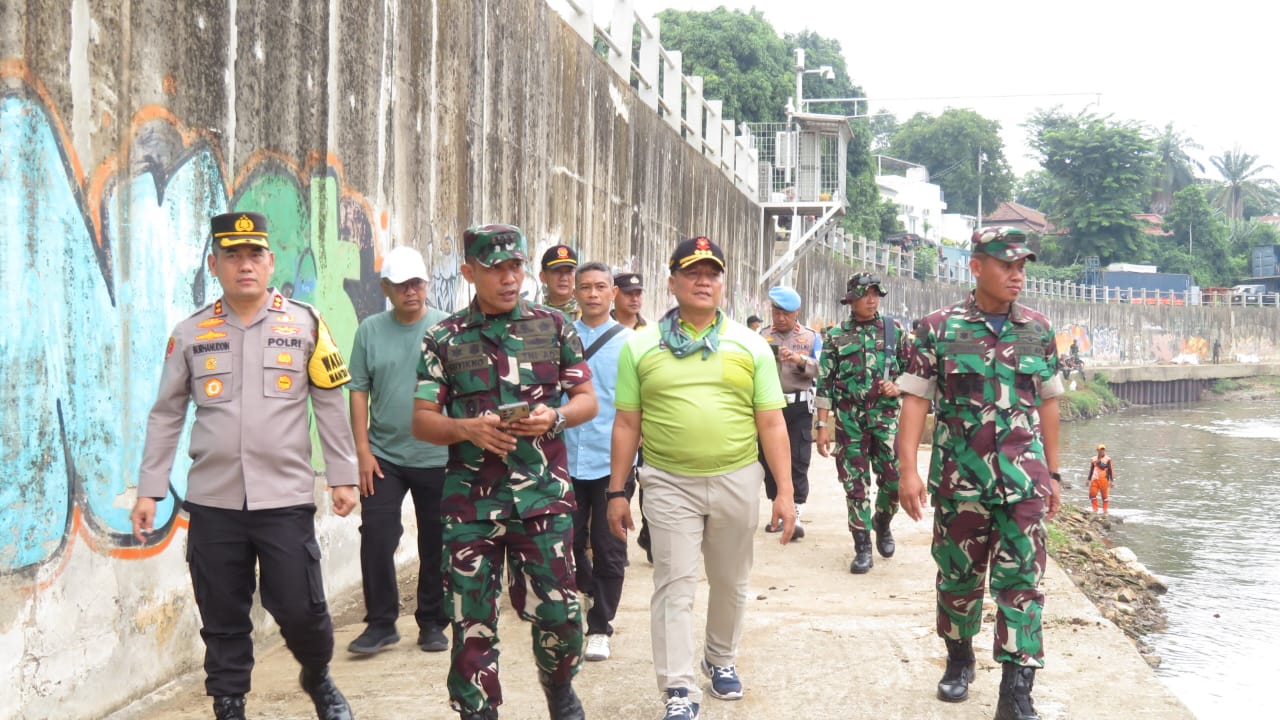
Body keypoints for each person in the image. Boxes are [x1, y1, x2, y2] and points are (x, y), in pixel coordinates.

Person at [130, 212, 358, 720]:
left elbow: (329, 404)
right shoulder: (190, 333)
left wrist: (342, 476)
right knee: (222, 611)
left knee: (301, 608)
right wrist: (150, 489)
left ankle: (317, 674)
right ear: (214, 264)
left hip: (285, 499)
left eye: (254, 254)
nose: (245, 265)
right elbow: (167, 413)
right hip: (214, 500)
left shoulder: (306, 324)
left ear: (270, 261)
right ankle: (228, 703)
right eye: (232, 255)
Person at [411, 224, 598, 720]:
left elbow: (587, 400)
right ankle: (477, 710)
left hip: (544, 495)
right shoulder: (443, 338)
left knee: (560, 614)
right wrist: (467, 429)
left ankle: (558, 683)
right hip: (470, 503)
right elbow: (422, 422)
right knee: (471, 619)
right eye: (496, 268)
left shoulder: (554, 326)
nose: (509, 277)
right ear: (470, 272)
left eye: (515, 266)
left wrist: (553, 417)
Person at [606, 236, 797, 720]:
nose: (703, 281)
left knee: (731, 580)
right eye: (692, 273)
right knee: (674, 583)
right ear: (672, 283)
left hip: (737, 477)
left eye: (712, 273)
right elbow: (627, 423)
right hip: (669, 481)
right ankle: (678, 687)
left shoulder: (750, 344)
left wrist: (785, 493)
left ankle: (720, 659)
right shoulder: (640, 346)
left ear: (724, 283)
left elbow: (772, 422)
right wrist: (617, 490)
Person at [895, 226, 1064, 720]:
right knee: (958, 581)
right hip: (959, 481)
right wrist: (908, 469)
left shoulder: (1037, 328)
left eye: (1022, 266)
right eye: (1006, 265)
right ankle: (959, 657)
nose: (1017, 275)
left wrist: (1053, 473)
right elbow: (915, 400)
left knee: (1023, 584)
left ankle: (1016, 693)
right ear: (976, 267)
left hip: (1024, 482)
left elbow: (1050, 402)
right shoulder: (937, 328)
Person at [345, 246, 451, 656]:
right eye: (402, 285)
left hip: (438, 454)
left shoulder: (446, 328)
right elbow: (358, 390)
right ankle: (381, 623)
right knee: (376, 535)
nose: (412, 291)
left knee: (436, 541)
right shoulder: (370, 330)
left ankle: (432, 623)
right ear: (386, 288)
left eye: (418, 283)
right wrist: (362, 451)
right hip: (384, 454)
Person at [814, 272, 908, 574]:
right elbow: (825, 382)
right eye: (865, 294)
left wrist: (898, 387)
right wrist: (822, 427)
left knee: (893, 483)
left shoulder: (895, 331)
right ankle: (862, 546)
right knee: (855, 485)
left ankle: (882, 521)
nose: (871, 299)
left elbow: (914, 372)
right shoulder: (836, 335)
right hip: (850, 422)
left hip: (886, 422)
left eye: (875, 294)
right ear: (851, 299)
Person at [566, 261, 634, 662]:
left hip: (614, 463)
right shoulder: (560, 336)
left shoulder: (631, 343)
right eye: (585, 287)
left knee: (610, 546)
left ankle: (599, 626)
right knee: (565, 542)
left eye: (600, 287)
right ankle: (587, 590)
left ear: (613, 294)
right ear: (575, 293)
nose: (592, 294)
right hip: (564, 458)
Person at [759, 285, 822, 540]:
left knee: (798, 457)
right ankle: (778, 506)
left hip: (798, 406)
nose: (780, 317)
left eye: (785, 313)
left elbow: (820, 368)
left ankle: (795, 510)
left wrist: (799, 361)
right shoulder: (761, 337)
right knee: (768, 458)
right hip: (770, 406)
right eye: (776, 311)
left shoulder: (810, 337)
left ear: (797, 312)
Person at [610, 271, 652, 561]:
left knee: (652, 484)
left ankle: (651, 539)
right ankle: (617, 543)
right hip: (616, 420)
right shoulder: (601, 328)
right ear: (614, 294)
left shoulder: (651, 334)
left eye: (638, 293)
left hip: (648, 423)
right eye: (629, 293)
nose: (635, 298)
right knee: (621, 483)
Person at [540, 243, 580, 320]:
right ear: (543, 277)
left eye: (569, 272)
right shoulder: (535, 312)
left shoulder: (587, 313)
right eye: (557, 271)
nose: (563, 278)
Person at [1087, 444, 1116, 514]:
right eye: (1100, 450)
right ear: (1097, 450)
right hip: (1095, 480)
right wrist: (1088, 479)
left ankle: (1105, 510)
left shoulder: (1108, 459)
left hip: (1104, 480)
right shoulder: (1093, 459)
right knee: (1092, 495)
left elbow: (1110, 470)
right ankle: (1095, 510)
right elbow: (1091, 470)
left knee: (1105, 497)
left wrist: (1112, 481)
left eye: (1103, 450)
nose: (1102, 451)